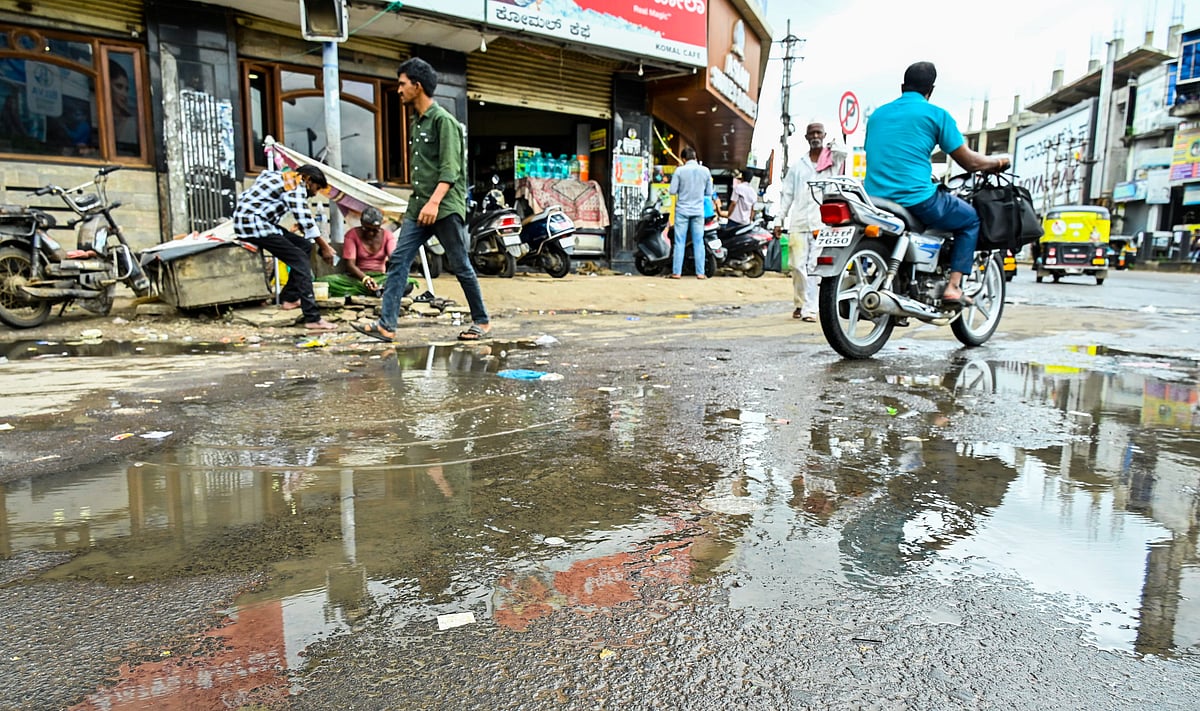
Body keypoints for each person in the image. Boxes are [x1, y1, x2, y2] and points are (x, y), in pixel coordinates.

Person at [352, 57, 492, 343]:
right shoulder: (416, 123)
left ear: (417, 86)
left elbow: (450, 169)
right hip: (420, 206)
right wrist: (420, 206)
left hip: (444, 206)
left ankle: (482, 321)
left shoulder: (444, 122)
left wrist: (434, 203)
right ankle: (386, 325)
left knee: (460, 264)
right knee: (399, 260)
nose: (399, 89)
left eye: (403, 84)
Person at [864, 61, 1010, 306]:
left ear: (903, 86)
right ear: (930, 90)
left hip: (874, 198)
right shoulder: (936, 115)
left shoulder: (878, 115)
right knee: (970, 219)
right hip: (914, 198)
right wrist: (998, 162)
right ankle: (953, 287)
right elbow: (971, 163)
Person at [233, 162, 338, 331]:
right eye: (316, 188)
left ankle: (289, 298)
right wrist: (325, 247)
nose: (314, 193)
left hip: (256, 222)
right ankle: (312, 317)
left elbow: (301, 220)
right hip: (254, 225)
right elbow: (306, 220)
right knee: (300, 260)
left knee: (304, 245)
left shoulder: (280, 177)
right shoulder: (295, 186)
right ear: (308, 180)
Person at [775, 121, 846, 321]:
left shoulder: (832, 163)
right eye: (812, 133)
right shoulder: (798, 166)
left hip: (822, 224)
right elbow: (787, 195)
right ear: (806, 137)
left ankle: (810, 309)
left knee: (815, 268)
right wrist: (779, 220)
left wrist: (834, 145)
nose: (815, 136)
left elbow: (844, 153)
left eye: (819, 133)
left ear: (824, 135)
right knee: (797, 266)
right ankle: (800, 303)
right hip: (798, 223)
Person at [317, 206, 398, 297]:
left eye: (375, 230)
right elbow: (350, 265)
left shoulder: (388, 236)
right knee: (323, 282)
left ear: (381, 225)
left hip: (380, 277)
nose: (371, 233)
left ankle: (375, 289)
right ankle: (377, 291)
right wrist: (365, 279)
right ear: (362, 223)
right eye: (367, 229)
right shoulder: (352, 235)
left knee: (407, 283)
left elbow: (394, 259)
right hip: (358, 278)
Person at [668, 146, 715, 279]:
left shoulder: (680, 171)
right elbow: (708, 193)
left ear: (683, 159)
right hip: (698, 211)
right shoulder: (705, 171)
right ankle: (700, 273)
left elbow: (672, 191)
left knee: (679, 241)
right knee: (698, 241)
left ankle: (677, 272)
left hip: (682, 210)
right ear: (695, 157)